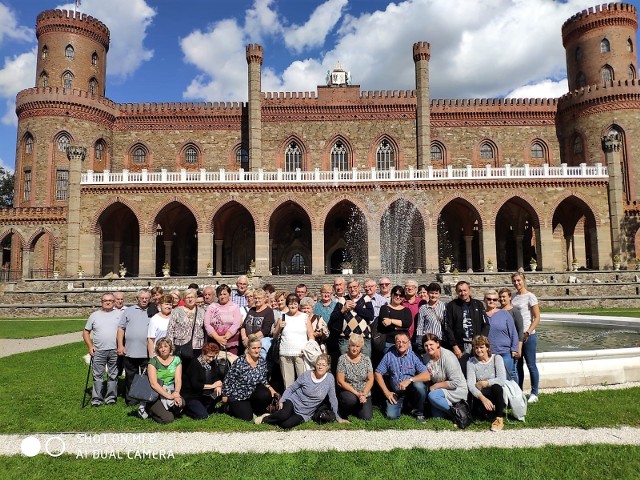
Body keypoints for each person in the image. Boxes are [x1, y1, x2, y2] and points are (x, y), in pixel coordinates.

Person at [263, 354, 348, 428]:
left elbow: (333, 398)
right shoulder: (307, 375)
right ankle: (265, 419)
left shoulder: (330, 378)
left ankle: (279, 417)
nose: (320, 366)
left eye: (323, 365)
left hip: (305, 412)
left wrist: (337, 417)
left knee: (286, 425)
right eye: (318, 364)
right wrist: (282, 399)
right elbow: (291, 388)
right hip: (294, 401)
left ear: (328, 367)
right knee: (283, 415)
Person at [374, 332, 431, 421]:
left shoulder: (414, 356)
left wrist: (410, 380)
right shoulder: (389, 355)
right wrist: (387, 392)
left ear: (409, 343)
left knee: (419, 386)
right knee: (391, 416)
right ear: (395, 343)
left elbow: (427, 375)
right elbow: (377, 373)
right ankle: (404, 407)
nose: (401, 345)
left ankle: (419, 413)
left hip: (411, 391)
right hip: (396, 393)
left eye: (404, 342)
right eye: (398, 342)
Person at [222, 334, 278, 422]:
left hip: (252, 392)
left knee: (266, 394)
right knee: (247, 418)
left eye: (259, 348)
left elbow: (263, 379)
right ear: (248, 349)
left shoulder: (262, 362)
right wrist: (225, 396)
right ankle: (229, 407)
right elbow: (228, 380)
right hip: (237, 395)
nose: (257, 351)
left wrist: (271, 389)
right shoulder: (240, 361)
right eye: (254, 348)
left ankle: (254, 408)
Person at [83, 292, 121, 406]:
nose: (108, 302)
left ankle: (110, 398)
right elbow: (85, 332)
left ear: (114, 302)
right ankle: (97, 399)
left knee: (113, 375)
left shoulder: (120, 314)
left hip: (114, 350)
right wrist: (90, 346)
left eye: (110, 300)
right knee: (97, 375)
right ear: (102, 302)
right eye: (105, 300)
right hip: (99, 350)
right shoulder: (94, 315)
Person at [444, 280, 490, 374]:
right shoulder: (452, 306)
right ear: (456, 292)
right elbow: (448, 327)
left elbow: (486, 324)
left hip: (476, 344)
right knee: (463, 371)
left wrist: (482, 341)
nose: (463, 293)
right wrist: (454, 346)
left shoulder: (478, 304)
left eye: (465, 290)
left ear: (469, 290)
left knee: (479, 371)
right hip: (460, 345)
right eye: (460, 291)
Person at [117, 289, 151, 406]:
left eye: (146, 298)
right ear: (137, 299)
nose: (144, 300)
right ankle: (131, 399)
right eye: (142, 298)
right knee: (130, 376)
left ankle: (145, 398)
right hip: (130, 351)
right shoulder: (129, 311)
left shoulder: (153, 311)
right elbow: (121, 329)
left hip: (147, 352)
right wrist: (120, 345)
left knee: (147, 377)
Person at [423, 333, 468, 420]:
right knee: (437, 418)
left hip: (456, 390)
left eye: (431, 344)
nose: (429, 348)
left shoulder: (448, 357)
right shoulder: (425, 358)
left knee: (433, 396)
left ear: (438, 344)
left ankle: (458, 415)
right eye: (426, 345)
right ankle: (454, 411)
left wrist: (435, 386)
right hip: (440, 391)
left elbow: (455, 383)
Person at [511, 272, 541, 403]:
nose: (516, 283)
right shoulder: (512, 296)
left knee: (531, 365)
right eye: (514, 281)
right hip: (516, 336)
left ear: (523, 280)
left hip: (528, 336)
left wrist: (528, 332)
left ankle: (534, 392)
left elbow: (537, 317)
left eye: (518, 280)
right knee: (518, 365)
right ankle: (519, 390)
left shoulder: (530, 296)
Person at [466, 335, 506, 431]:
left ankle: (499, 418)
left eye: (481, 347)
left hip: (494, 391)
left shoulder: (497, 358)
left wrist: (485, 383)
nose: (479, 350)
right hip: (481, 395)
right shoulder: (471, 362)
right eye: (476, 348)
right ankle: (487, 412)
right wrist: (483, 398)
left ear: (487, 347)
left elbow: (501, 379)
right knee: (481, 415)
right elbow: (471, 384)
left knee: (497, 387)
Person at [274, 294, 313, 387]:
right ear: (287, 305)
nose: (293, 306)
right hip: (285, 354)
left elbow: (311, 334)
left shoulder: (304, 317)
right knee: (288, 384)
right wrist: (279, 327)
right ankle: (288, 401)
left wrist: (308, 348)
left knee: (303, 382)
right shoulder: (282, 316)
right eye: (290, 304)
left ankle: (303, 401)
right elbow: (274, 335)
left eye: (295, 303)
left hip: (301, 354)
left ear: (298, 305)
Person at [329, 279, 374, 357]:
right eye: (350, 287)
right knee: (346, 364)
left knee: (365, 364)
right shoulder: (343, 299)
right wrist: (342, 310)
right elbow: (333, 317)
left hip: (363, 338)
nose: (352, 289)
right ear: (347, 288)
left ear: (359, 287)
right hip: (346, 339)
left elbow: (370, 315)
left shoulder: (366, 298)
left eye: (355, 287)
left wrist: (356, 307)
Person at [145, 337, 183, 424]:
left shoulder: (176, 360)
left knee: (182, 402)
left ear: (170, 347)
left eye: (166, 346)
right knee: (168, 419)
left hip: (170, 388)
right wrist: (169, 396)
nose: (163, 349)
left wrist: (176, 393)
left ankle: (169, 410)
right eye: (160, 347)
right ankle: (150, 410)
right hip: (156, 393)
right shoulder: (153, 361)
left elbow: (178, 379)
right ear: (157, 349)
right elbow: (154, 384)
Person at [166, 288, 206, 369]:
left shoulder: (202, 311)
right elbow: (170, 329)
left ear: (195, 298)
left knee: (195, 370)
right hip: (180, 346)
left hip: (197, 347)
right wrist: (170, 347)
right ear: (184, 299)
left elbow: (205, 329)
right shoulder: (177, 311)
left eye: (192, 297)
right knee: (182, 371)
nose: (190, 299)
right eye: (188, 297)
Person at [483, 289, 519, 382]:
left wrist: (514, 349)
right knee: (493, 377)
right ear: (484, 300)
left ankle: (515, 395)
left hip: (504, 351)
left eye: (494, 299)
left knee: (509, 376)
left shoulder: (504, 313)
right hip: (489, 353)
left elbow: (513, 332)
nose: (492, 301)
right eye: (489, 299)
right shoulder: (481, 315)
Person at [182, 342, 224, 420]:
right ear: (203, 353)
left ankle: (208, 408)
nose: (211, 359)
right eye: (209, 356)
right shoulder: (194, 363)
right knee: (202, 415)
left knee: (221, 392)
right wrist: (213, 386)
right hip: (192, 395)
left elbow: (216, 377)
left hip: (205, 394)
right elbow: (196, 385)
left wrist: (218, 386)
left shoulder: (212, 363)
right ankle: (187, 409)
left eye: (213, 357)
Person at [336, 334, 374, 420]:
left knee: (366, 417)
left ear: (361, 347)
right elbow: (340, 381)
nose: (355, 348)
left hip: (363, 392)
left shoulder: (366, 359)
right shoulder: (342, 359)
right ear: (349, 346)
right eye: (353, 345)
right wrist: (357, 393)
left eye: (357, 346)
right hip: (349, 391)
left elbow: (371, 379)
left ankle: (357, 408)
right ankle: (344, 411)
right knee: (350, 400)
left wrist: (364, 393)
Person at [204, 284, 243, 355]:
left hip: (231, 342)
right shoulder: (211, 307)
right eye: (220, 294)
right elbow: (207, 324)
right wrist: (218, 338)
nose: (222, 296)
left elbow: (236, 324)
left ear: (229, 295)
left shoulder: (235, 307)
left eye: (225, 294)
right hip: (214, 341)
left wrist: (224, 339)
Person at [376, 285, 412, 353]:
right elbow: (386, 324)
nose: (398, 297)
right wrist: (402, 327)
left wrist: (391, 321)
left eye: (401, 295)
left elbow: (407, 323)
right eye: (396, 294)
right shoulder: (384, 308)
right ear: (391, 294)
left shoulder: (406, 310)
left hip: (405, 343)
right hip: (389, 342)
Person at [241, 289, 275, 359]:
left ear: (265, 299)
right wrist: (244, 338)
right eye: (255, 298)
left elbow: (266, 330)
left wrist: (249, 339)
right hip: (248, 344)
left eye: (259, 298)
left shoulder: (269, 311)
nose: (257, 300)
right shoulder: (252, 310)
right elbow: (243, 325)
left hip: (260, 345)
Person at [415, 282, 447, 353]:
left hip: (441, 340)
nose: (434, 295)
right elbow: (420, 327)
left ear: (439, 294)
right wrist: (419, 343)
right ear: (428, 293)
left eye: (436, 293)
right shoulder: (423, 308)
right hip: (428, 341)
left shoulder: (444, 306)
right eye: (432, 293)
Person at [147, 294, 173, 358]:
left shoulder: (174, 317)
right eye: (166, 304)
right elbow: (150, 340)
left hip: (172, 354)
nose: (168, 306)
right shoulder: (155, 319)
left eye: (170, 304)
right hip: (159, 354)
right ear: (160, 305)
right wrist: (152, 357)